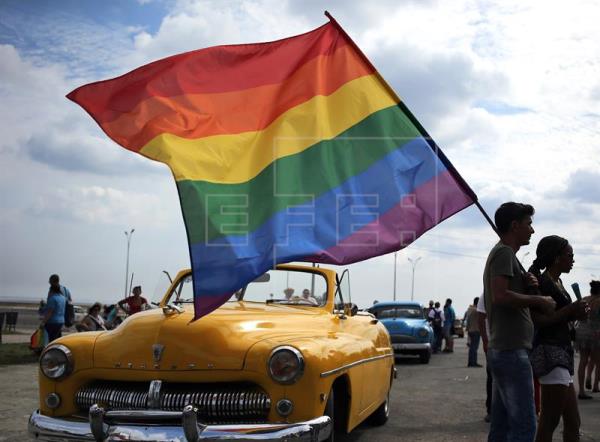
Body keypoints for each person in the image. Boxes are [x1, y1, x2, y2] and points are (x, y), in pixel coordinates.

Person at [483, 202, 556, 442]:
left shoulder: (506, 254)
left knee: (502, 428)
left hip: (505, 350)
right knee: (525, 426)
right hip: (511, 351)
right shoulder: (504, 252)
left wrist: (528, 286)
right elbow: (500, 295)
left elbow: (505, 292)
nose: (532, 231)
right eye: (529, 224)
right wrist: (540, 301)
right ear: (515, 226)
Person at [527, 235, 590, 442]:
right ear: (556, 258)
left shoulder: (557, 282)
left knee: (573, 422)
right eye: (570, 255)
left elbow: (562, 317)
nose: (573, 260)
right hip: (551, 354)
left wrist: (576, 313)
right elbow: (539, 321)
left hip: (562, 352)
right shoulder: (542, 283)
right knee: (549, 421)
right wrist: (571, 309)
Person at [576, 280, 600, 398]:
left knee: (583, 360)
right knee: (598, 361)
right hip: (596, 332)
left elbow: (578, 313)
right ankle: (595, 385)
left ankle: (581, 390)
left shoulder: (584, 299)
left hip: (582, 331)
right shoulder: (599, 301)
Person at [477, 295, 492, 423]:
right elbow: (480, 317)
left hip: (508, 343)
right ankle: (491, 410)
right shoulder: (485, 295)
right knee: (492, 377)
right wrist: (485, 340)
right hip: (493, 343)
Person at [41, 275, 67, 342]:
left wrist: (43, 322)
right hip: (61, 321)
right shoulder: (63, 298)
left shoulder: (52, 298)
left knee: (50, 340)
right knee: (57, 339)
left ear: (51, 290)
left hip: (52, 322)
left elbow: (50, 312)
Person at [466, 297, 482, 367]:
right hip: (476, 330)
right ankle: (473, 362)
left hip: (470, 330)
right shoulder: (477, 311)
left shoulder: (469, 310)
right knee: (474, 348)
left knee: (472, 348)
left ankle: (470, 362)